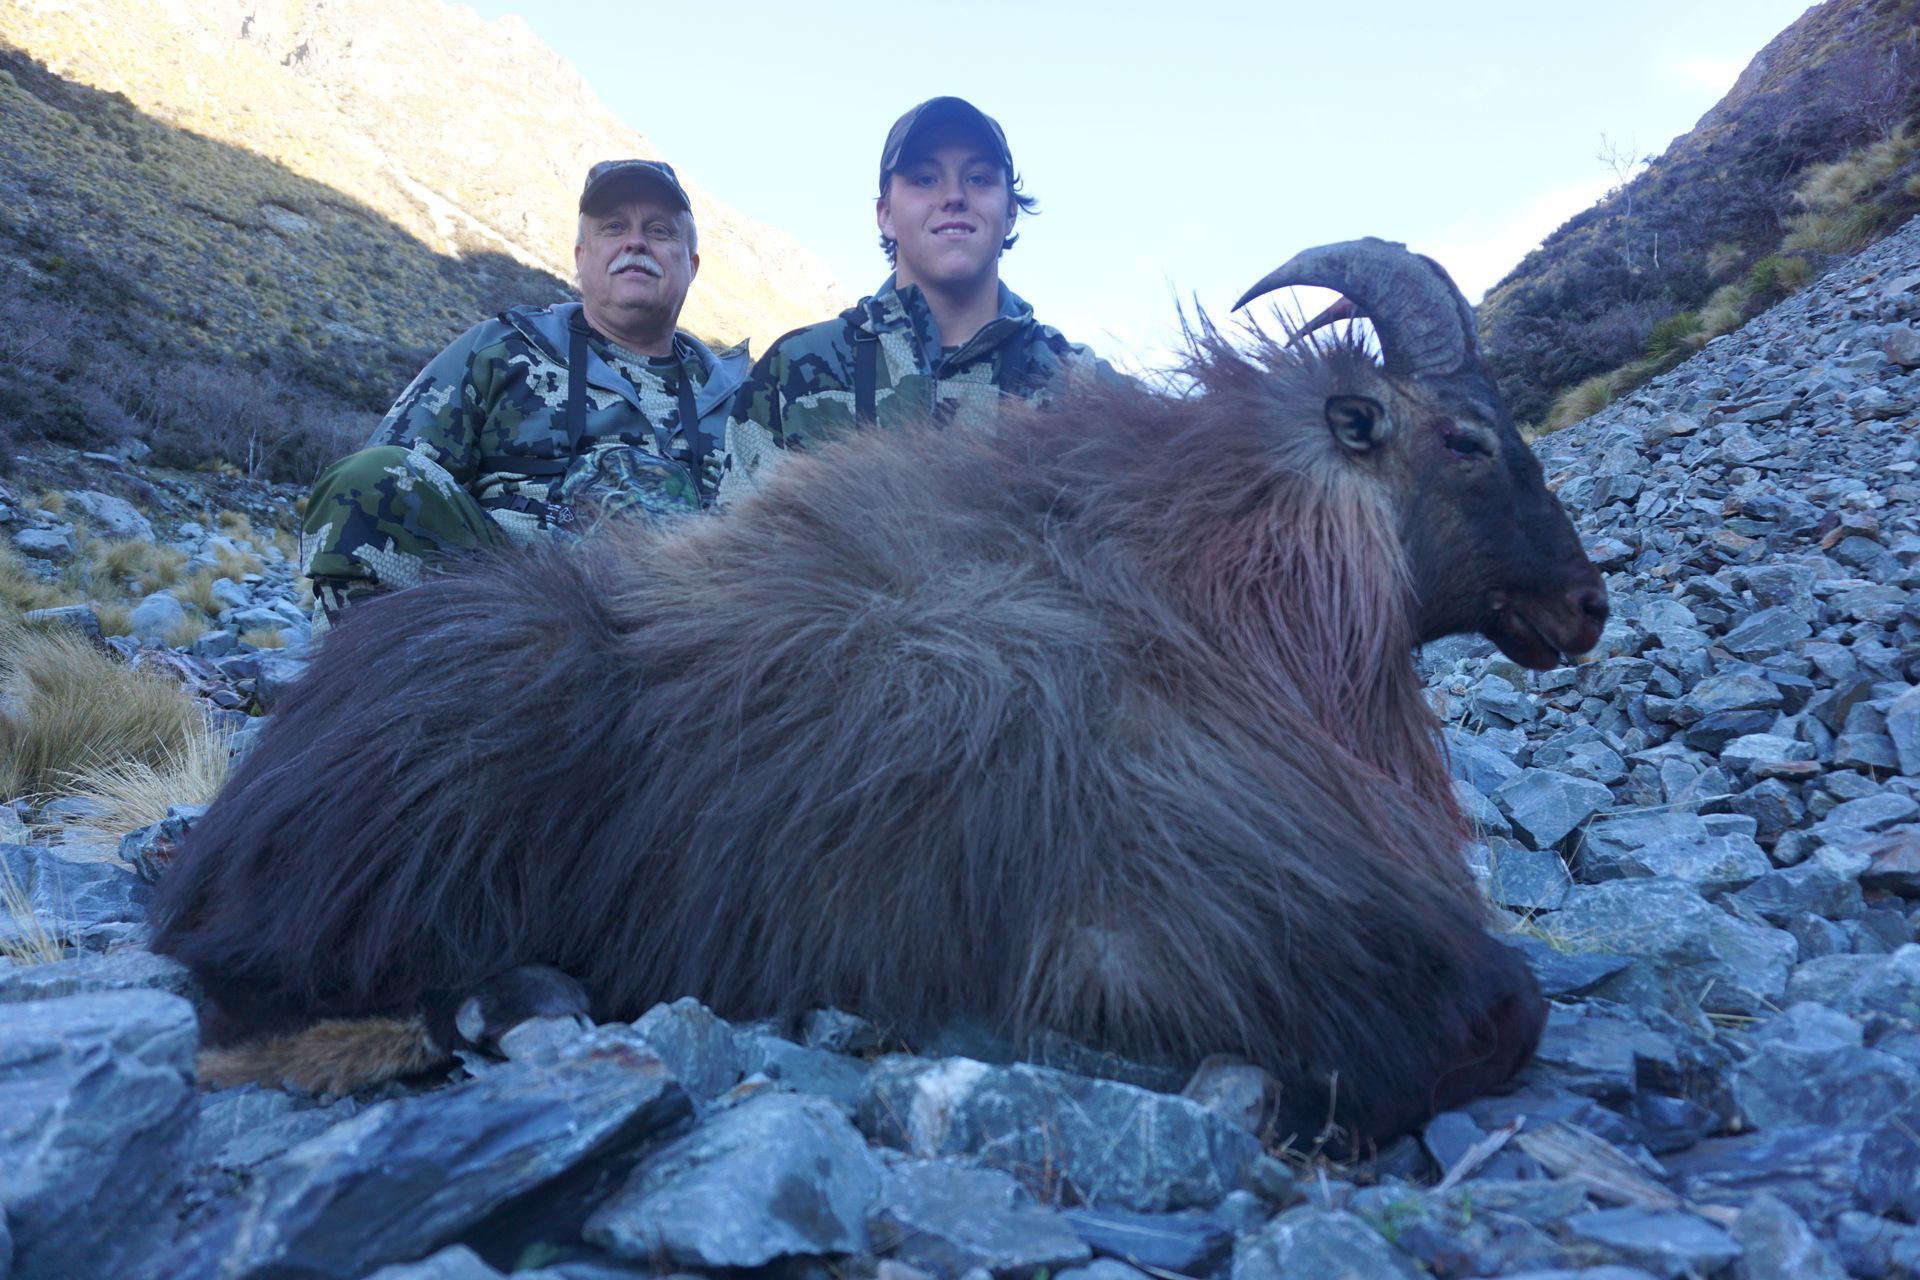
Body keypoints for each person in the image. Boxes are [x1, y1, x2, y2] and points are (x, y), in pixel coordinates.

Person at [301, 159, 749, 624]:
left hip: (686, 632)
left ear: (691, 265)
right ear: (581, 256)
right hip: (501, 615)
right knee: (370, 480)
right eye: (614, 227)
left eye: (659, 231)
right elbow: (396, 476)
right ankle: (366, 685)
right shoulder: (500, 349)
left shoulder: (743, 400)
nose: (635, 242)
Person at [719, 96, 1112, 506]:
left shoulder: (1080, 382)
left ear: (1011, 212)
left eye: (978, 178)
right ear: (885, 214)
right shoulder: (792, 370)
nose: (954, 196)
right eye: (925, 179)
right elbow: (729, 559)